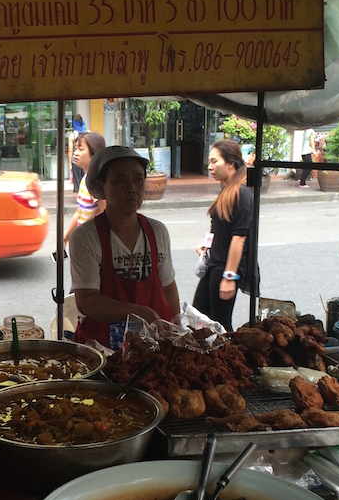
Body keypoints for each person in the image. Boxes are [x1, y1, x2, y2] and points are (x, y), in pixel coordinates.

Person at [69, 145, 180, 349]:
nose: (131, 188)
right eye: (120, 180)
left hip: (154, 347)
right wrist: (138, 311)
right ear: (102, 187)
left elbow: (168, 288)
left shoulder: (157, 232)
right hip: (103, 349)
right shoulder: (85, 238)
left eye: (138, 180)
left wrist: (177, 329)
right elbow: (87, 301)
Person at [193, 139, 254, 331]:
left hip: (224, 269)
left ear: (230, 163)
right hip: (215, 264)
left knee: (220, 324)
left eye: (214, 161)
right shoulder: (228, 189)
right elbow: (220, 227)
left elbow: (239, 238)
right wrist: (207, 244)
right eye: (209, 162)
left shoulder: (241, 193)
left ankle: (227, 359)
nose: (209, 167)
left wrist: (229, 277)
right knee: (200, 317)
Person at [62, 131, 106, 247]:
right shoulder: (85, 179)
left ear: (94, 153)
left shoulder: (96, 183)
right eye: (75, 149)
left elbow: (108, 215)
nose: (76, 153)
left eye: (81, 149)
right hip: (84, 242)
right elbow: (80, 211)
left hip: (94, 245)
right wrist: (65, 238)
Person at [68, 113, 86, 192]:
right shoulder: (88, 133)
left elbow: (70, 150)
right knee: (86, 178)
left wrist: (69, 164)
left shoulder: (72, 135)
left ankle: (80, 195)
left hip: (76, 160)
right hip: (86, 159)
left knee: (77, 179)